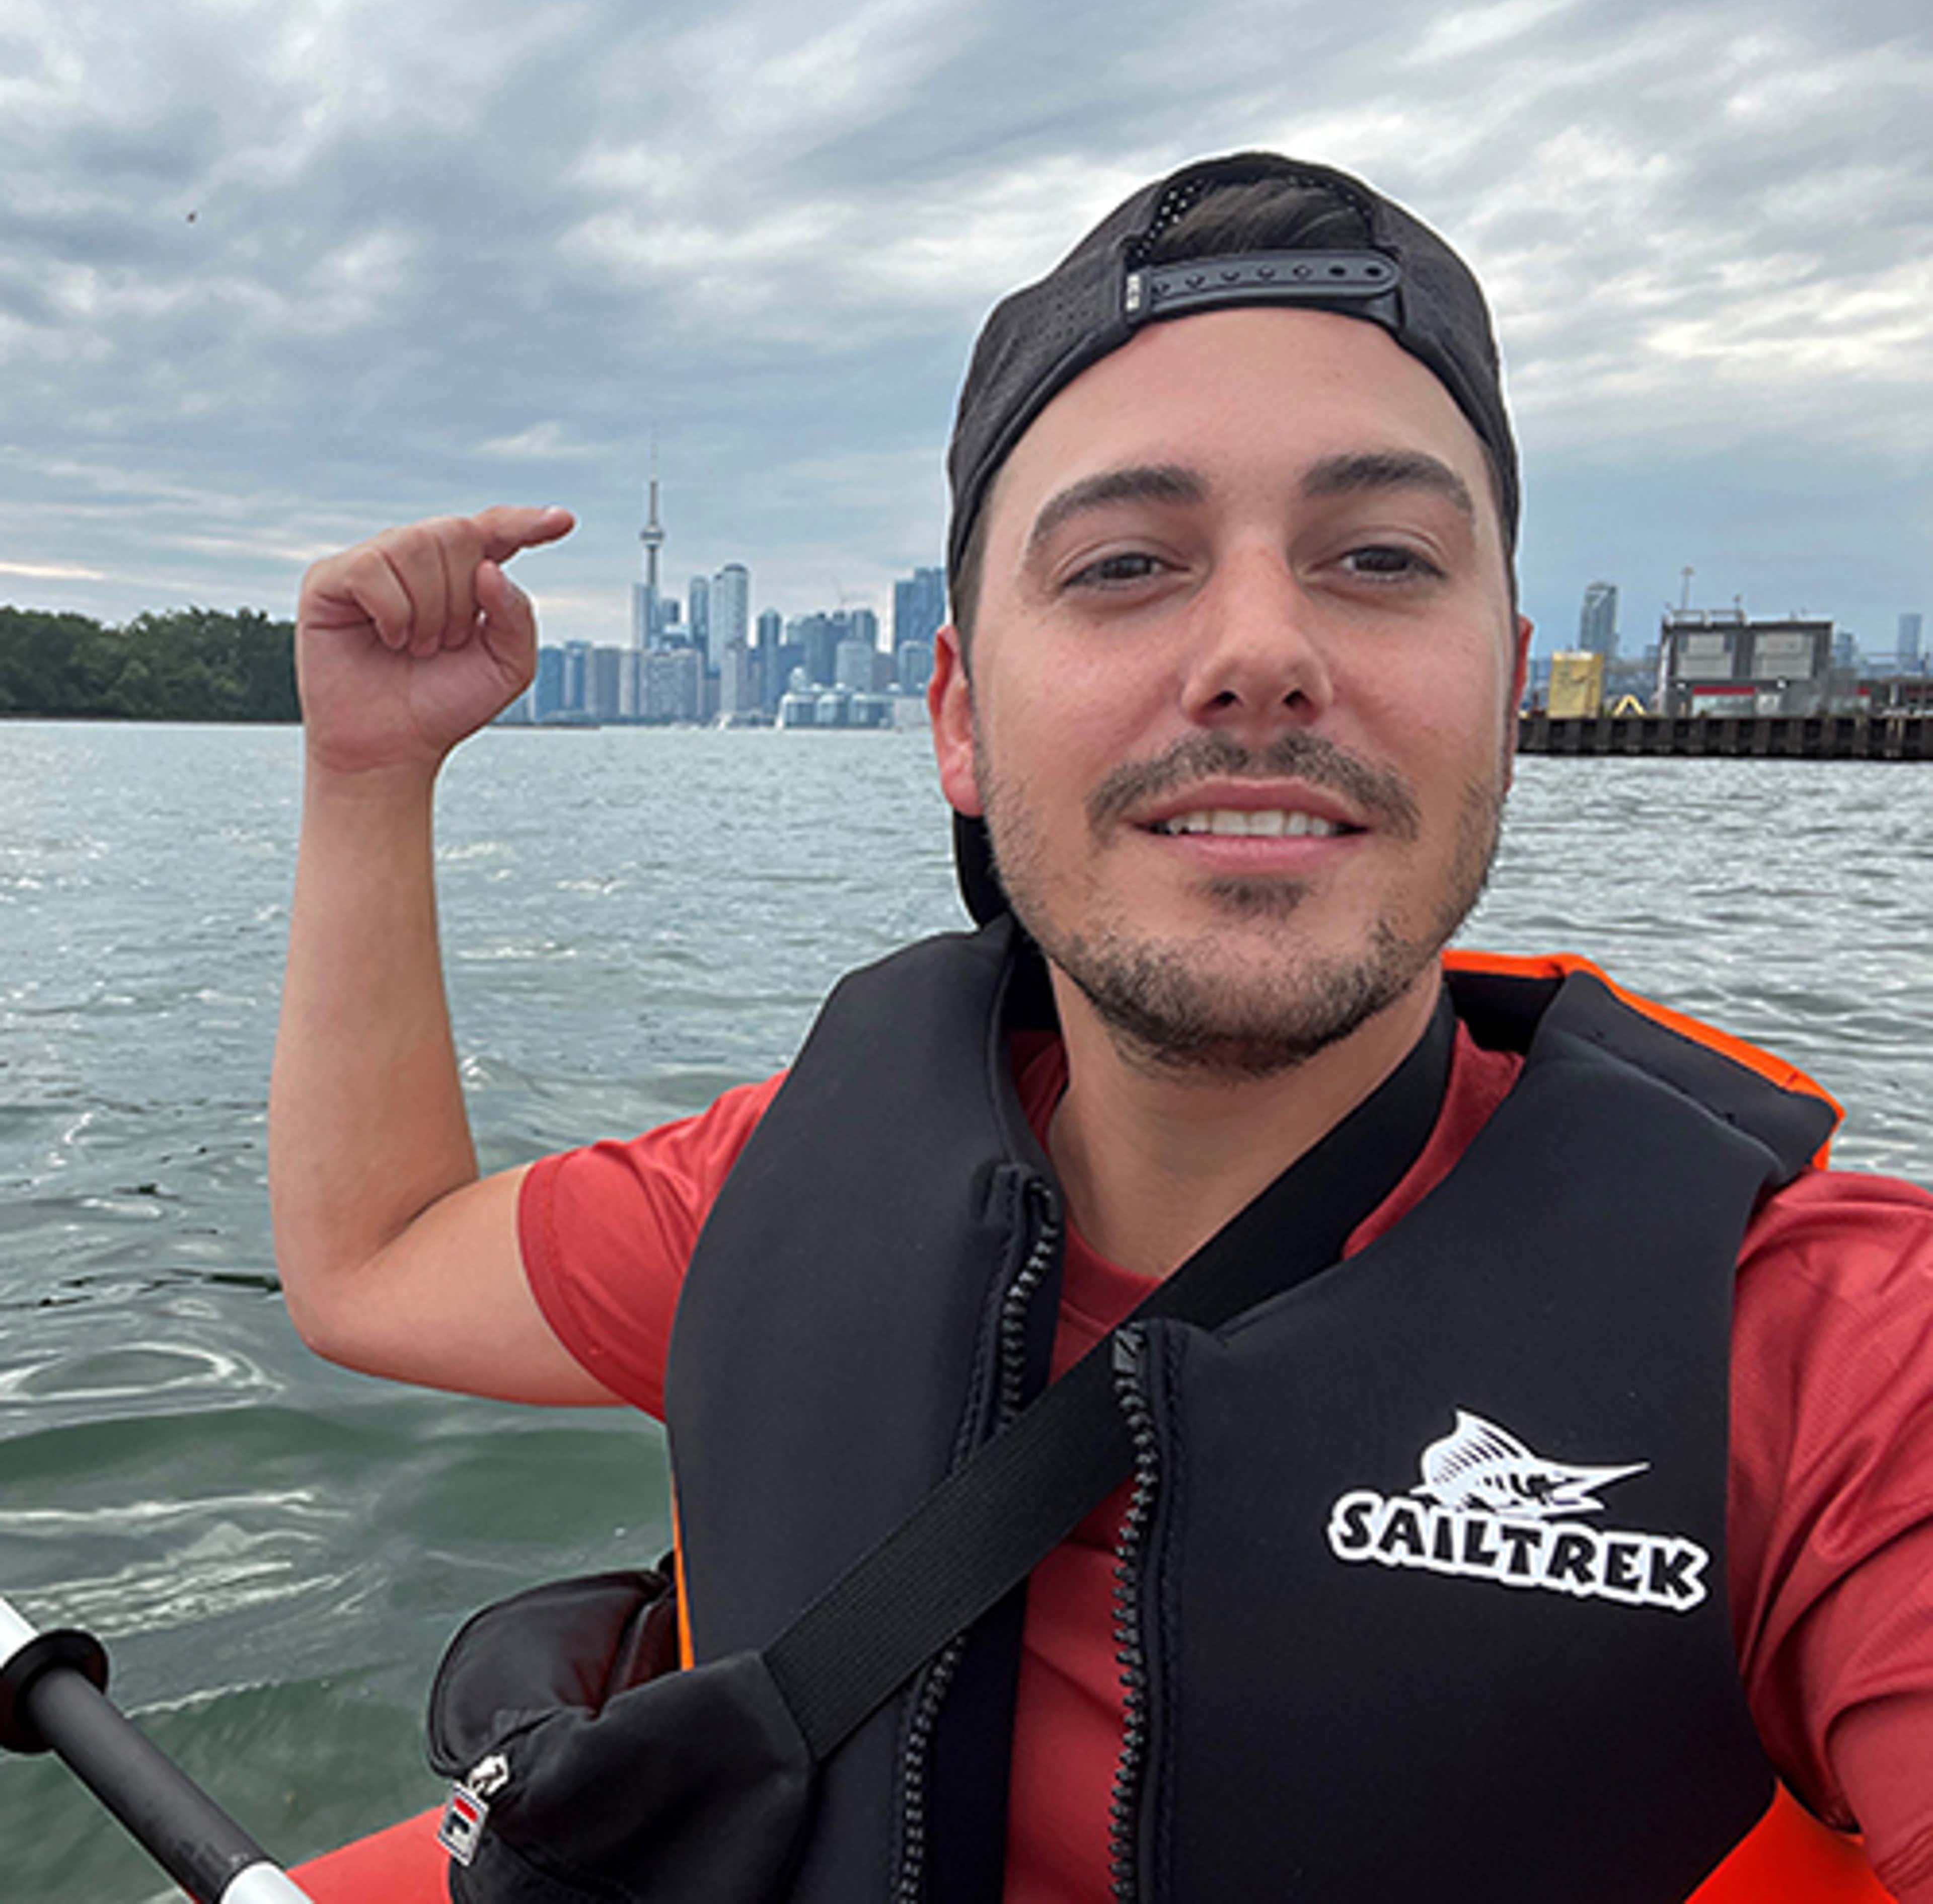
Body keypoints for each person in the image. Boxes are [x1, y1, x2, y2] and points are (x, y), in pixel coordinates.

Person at [269, 153, 1933, 1902]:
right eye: (1128, 563)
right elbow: (372, 1266)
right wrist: (368, 779)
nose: (1262, 648)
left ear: (1508, 692)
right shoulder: (782, 1196)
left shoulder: (1823, 1360)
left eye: (1381, 557)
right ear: (961, 720)